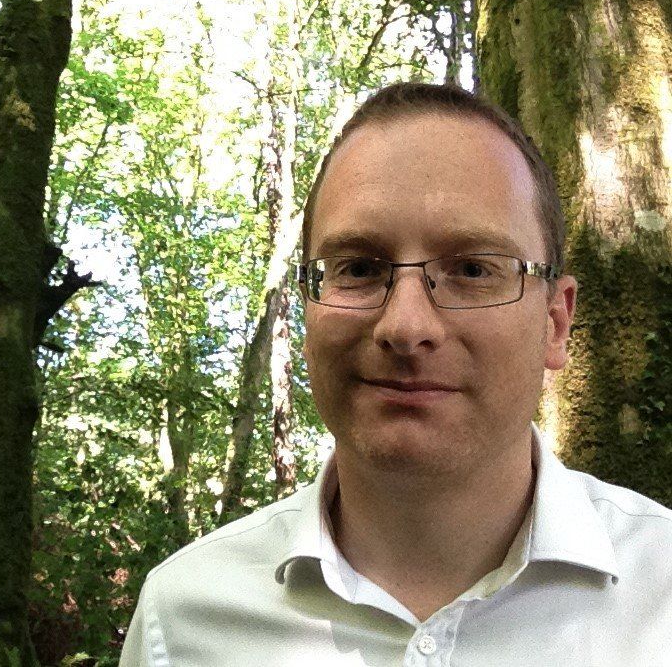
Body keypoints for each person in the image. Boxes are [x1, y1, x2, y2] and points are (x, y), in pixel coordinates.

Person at [119, 82, 672, 666]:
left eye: (473, 269)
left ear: (555, 323)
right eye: (359, 268)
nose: (406, 327)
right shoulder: (182, 619)